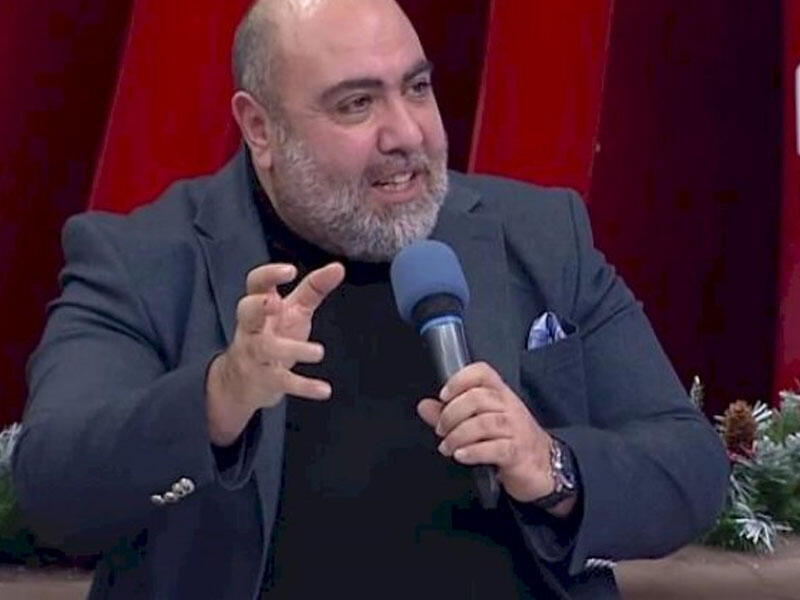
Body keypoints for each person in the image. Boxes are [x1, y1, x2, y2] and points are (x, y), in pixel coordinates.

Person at [12, 0, 729, 598]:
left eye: (417, 88)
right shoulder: (143, 261)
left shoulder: (540, 236)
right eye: (357, 104)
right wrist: (219, 398)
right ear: (260, 128)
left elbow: (688, 468)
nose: (407, 133)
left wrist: (552, 466)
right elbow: (52, 489)